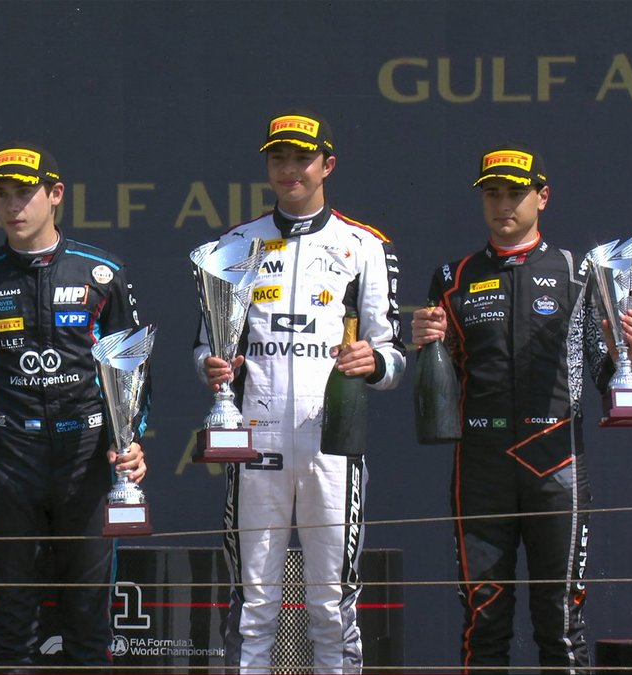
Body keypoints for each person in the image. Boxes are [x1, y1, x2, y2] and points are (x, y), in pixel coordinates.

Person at [410, 143, 632, 673]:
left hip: (555, 463)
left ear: (543, 197)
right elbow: (440, 379)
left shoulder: (578, 274)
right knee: (484, 623)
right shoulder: (452, 277)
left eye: (515, 193)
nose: (503, 205)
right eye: (492, 193)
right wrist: (426, 342)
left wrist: (620, 351)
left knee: (559, 623)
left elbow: (602, 374)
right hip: (481, 466)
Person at [194, 110, 406, 674]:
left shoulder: (364, 246)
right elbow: (205, 346)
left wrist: (373, 361)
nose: (289, 169)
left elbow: (393, 357)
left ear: (327, 165)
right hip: (254, 440)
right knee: (254, 606)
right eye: (278, 158)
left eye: (301, 158)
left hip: (332, 443)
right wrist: (211, 366)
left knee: (331, 605)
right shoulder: (234, 245)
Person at [0, 143, 149, 671]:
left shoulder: (101, 273)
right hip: (14, 458)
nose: (12, 206)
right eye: (2, 195)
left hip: (87, 457)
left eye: (24, 193)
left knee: (88, 619)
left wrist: (131, 438)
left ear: (55, 195)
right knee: (12, 621)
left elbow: (132, 371)